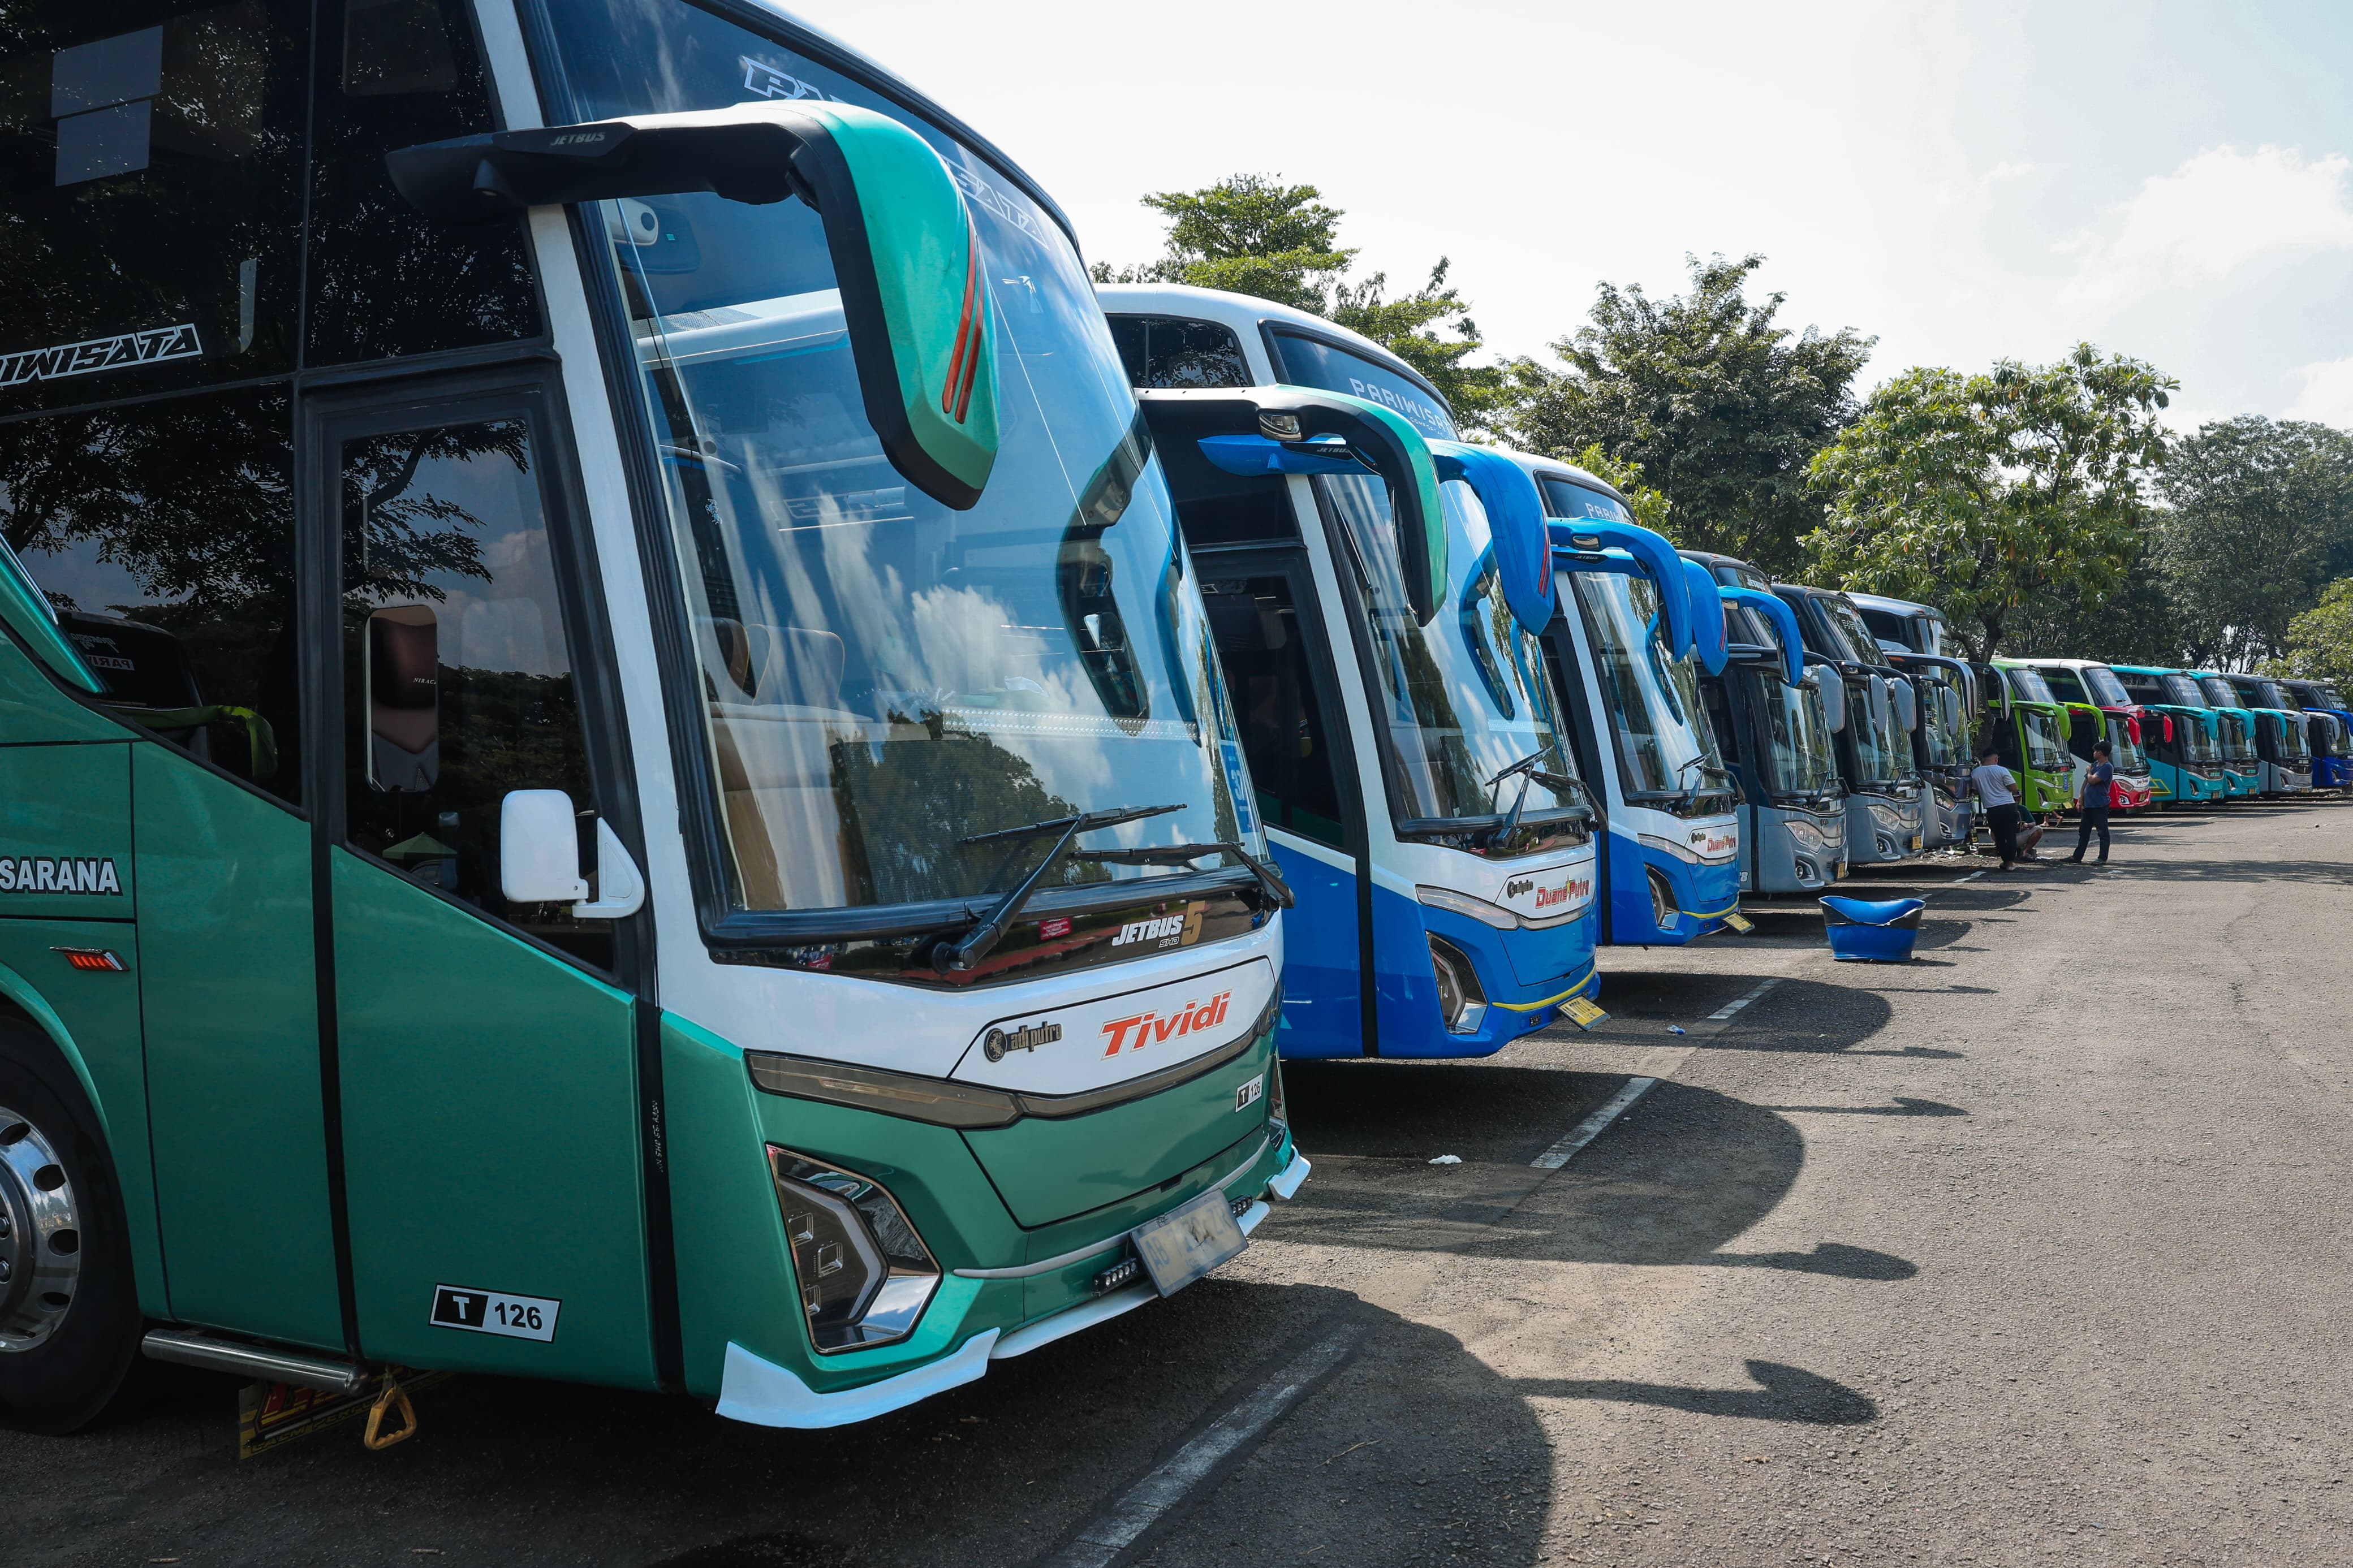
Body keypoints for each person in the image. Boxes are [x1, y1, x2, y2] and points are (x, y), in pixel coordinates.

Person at [1971, 745, 2024, 871]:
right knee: (2011, 835)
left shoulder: (1975, 773)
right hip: (2008, 806)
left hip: (1992, 809)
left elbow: (1975, 791)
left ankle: (2005, 862)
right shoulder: (2002, 770)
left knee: (1999, 836)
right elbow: (2013, 788)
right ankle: (2010, 863)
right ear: (1996, 759)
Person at [2071, 742, 2115, 864]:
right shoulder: (2095, 764)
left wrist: (2089, 771)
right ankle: (2077, 857)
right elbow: (2086, 782)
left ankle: (2102, 857)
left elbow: (2093, 780)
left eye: (2095, 751)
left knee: (2102, 832)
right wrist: (2081, 798)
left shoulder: (2107, 767)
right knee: (2084, 832)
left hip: (2099, 804)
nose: (2094, 754)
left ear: (2100, 753)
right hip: (2089, 804)